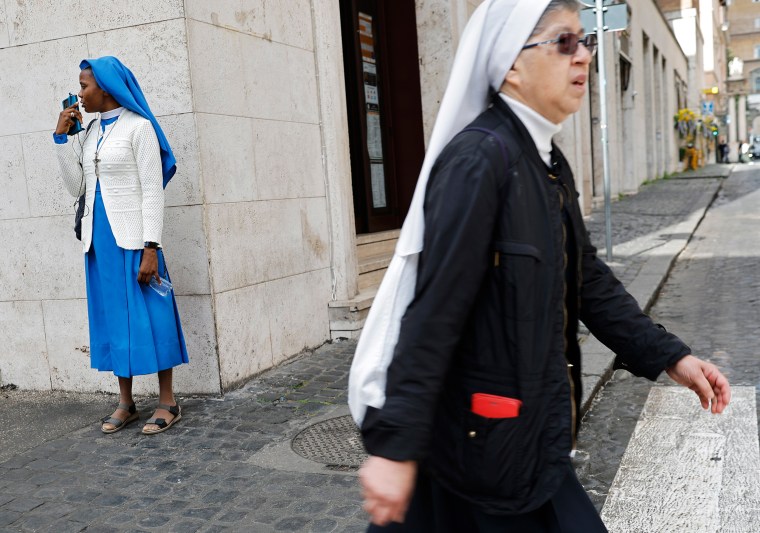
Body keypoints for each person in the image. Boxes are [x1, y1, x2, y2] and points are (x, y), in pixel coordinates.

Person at [352, 1, 731, 531]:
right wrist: (393, 451)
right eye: (564, 42)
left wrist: (672, 356)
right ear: (511, 63)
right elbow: (433, 314)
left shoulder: (547, 163)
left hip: (528, 443)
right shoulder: (479, 161)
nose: (584, 58)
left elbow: (589, 281)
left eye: (586, 41)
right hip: (478, 457)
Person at [54, 56, 189, 435]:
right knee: (113, 317)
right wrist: (63, 139)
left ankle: (168, 401)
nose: (79, 93)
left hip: (134, 240)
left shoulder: (139, 128)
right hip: (100, 244)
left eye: (84, 86)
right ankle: (126, 402)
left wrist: (151, 247)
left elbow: (152, 192)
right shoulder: (92, 130)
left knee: (154, 314)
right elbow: (77, 188)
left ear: (107, 88)